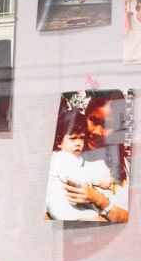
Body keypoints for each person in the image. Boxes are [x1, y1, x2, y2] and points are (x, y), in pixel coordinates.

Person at [54, 91, 129, 222]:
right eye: (94, 120)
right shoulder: (69, 153)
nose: (97, 132)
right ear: (86, 114)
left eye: (107, 125)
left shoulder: (119, 164)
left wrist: (100, 200)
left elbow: (128, 216)